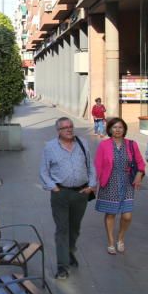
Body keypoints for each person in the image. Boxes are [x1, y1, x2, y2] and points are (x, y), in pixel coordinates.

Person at [39, 117, 97, 279]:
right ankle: (62, 266)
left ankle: (69, 252)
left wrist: (92, 185)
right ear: (58, 131)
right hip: (61, 194)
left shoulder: (82, 143)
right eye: (65, 128)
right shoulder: (50, 147)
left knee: (75, 228)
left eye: (70, 126)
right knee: (62, 229)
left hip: (81, 193)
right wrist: (54, 187)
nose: (69, 130)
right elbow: (44, 171)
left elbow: (90, 165)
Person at [94, 117, 145, 254]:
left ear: (124, 130)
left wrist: (139, 174)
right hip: (109, 182)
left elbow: (140, 163)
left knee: (127, 215)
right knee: (111, 213)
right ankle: (111, 241)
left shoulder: (131, 144)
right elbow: (97, 165)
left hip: (127, 181)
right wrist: (93, 184)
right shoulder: (104, 145)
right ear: (110, 129)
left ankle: (120, 238)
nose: (117, 130)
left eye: (120, 127)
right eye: (114, 127)